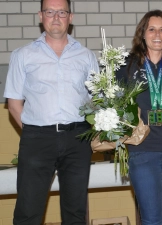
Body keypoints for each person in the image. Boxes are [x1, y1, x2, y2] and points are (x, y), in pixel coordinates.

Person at [3, 0, 99, 224]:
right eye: (50, 12)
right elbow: (14, 103)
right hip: (37, 138)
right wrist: (35, 132)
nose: (56, 17)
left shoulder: (86, 56)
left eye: (62, 12)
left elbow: (96, 101)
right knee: (28, 210)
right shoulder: (23, 55)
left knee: (76, 211)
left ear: (70, 17)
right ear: (40, 15)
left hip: (78, 139)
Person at [115, 10, 162, 225]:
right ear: (142, 34)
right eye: (151, 29)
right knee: (151, 219)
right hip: (143, 152)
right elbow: (113, 104)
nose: (157, 34)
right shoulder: (127, 67)